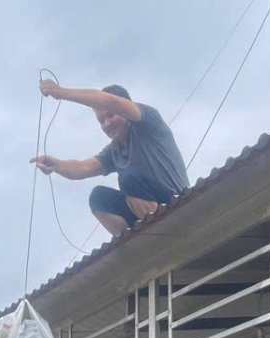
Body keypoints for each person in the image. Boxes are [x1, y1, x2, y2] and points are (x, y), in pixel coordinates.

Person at [29, 80, 190, 236]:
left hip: (177, 202)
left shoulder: (148, 122)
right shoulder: (114, 151)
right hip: (145, 213)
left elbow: (110, 101)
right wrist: (55, 165)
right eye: (101, 121)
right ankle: (134, 242)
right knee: (98, 197)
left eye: (110, 116)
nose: (106, 124)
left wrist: (61, 92)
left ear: (125, 108)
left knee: (128, 178)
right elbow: (83, 168)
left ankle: (168, 231)